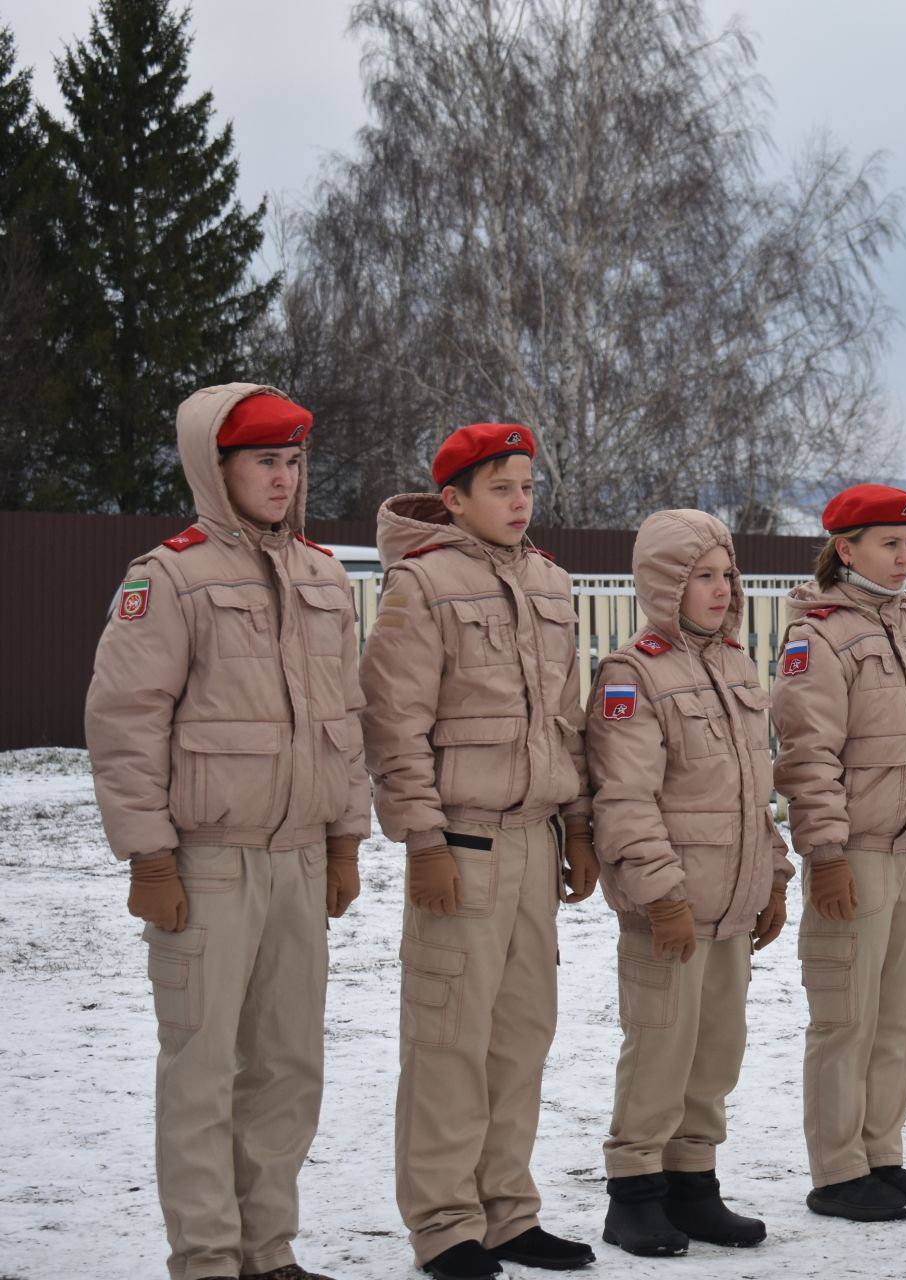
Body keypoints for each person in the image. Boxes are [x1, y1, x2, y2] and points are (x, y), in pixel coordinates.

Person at [85, 384, 369, 1280]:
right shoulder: (167, 576)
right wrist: (149, 854)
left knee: (289, 1067)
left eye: (292, 462)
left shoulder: (324, 575)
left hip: (295, 859)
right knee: (202, 1070)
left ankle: (268, 1253)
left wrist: (344, 839)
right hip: (205, 865)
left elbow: (345, 717)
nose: (283, 480)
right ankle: (207, 1260)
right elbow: (125, 721)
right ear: (218, 467)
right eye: (263, 462)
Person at [359, 424, 600, 1279]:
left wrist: (578, 825)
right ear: (454, 499)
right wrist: (423, 839)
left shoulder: (550, 582)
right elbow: (394, 724)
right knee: (449, 1037)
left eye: (527, 486)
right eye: (500, 488)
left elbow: (566, 718)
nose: (519, 502)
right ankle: (445, 1223)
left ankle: (509, 1210)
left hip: (535, 840)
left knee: (522, 1034)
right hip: (461, 844)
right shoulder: (422, 585)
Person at [771, 484, 906, 1222]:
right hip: (859, 853)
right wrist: (825, 853)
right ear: (846, 549)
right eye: (889, 544)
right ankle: (838, 1170)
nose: (905, 557)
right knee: (847, 1016)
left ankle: (882, 1155)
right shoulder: (818, 636)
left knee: (902, 1015)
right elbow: (809, 755)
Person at [586, 510, 792, 1255]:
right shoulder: (631, 673)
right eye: (701, 575)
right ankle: (635, 1190)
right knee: (660, 1051)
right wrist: (662, 896)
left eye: (726, 574)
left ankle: (693, 1184)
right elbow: (625, 800)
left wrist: (774, 875)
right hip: (667, 911)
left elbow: (752, 790)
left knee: (715, 1053)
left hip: (731, 904)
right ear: (664, 583)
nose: (719, 589)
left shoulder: (737, 663)